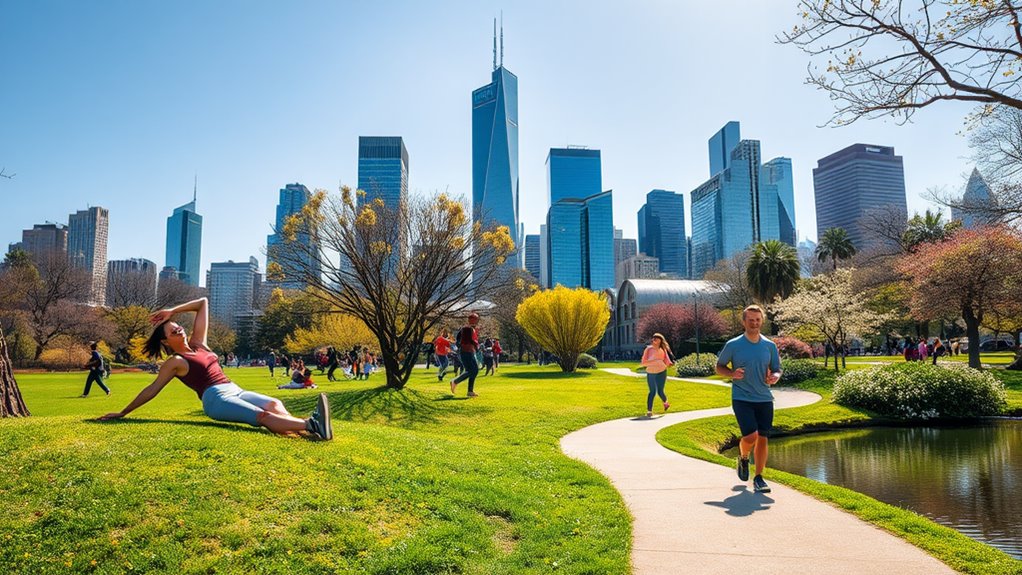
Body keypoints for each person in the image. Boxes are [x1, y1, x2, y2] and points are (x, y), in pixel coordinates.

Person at [97, 297, 332, 440]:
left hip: (235, 389)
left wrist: (172, 312)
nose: (178, 329)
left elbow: (202, 303)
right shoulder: (176, 361)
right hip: (216, 398)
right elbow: (153, 388)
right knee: (262, 416)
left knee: (274, 404)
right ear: (165, 342)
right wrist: (123, 412)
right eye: (172, 330)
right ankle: (311, 424)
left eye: (178, 326)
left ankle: (306, 429)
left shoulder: (199, 344)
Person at [715, 304, 782, 494]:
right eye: (751, 320)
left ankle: (759, 478)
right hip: (742, 397)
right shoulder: (733, 345)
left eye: (758, 320)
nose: (754, 323)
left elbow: (777, 368)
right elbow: (719, 366)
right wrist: (731, 373)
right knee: (751, 436)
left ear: (762, 321)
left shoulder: (769, 345)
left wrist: (775, 376)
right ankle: (743, 456)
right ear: (744, 322)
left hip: (764, 398)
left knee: (762, 438)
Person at [640, 333, 672, 418]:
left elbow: (667, 359)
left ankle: (666, 403)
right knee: (652, 391)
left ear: (660, 341)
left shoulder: (663, 349)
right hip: (651, 372)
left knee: (660, 391)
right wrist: (656, 361)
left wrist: (668, 364)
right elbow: (643, 362)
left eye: (657, 339)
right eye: (654, 338)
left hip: (662, 371)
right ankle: (649, 411)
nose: (654, 340)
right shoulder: (648, 349)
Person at [449, 313, 480, 397]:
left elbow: (459, 340)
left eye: (477, 319)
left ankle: (470, 391)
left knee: (474, 371)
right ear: (471, 319)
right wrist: (476, 345)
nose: (477, 320)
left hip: (469, 352)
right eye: (475, 319)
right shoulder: (467, 328)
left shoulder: (470, 329)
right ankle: (455, 381)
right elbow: (468, 340)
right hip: (466, 352)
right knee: (472, 371)